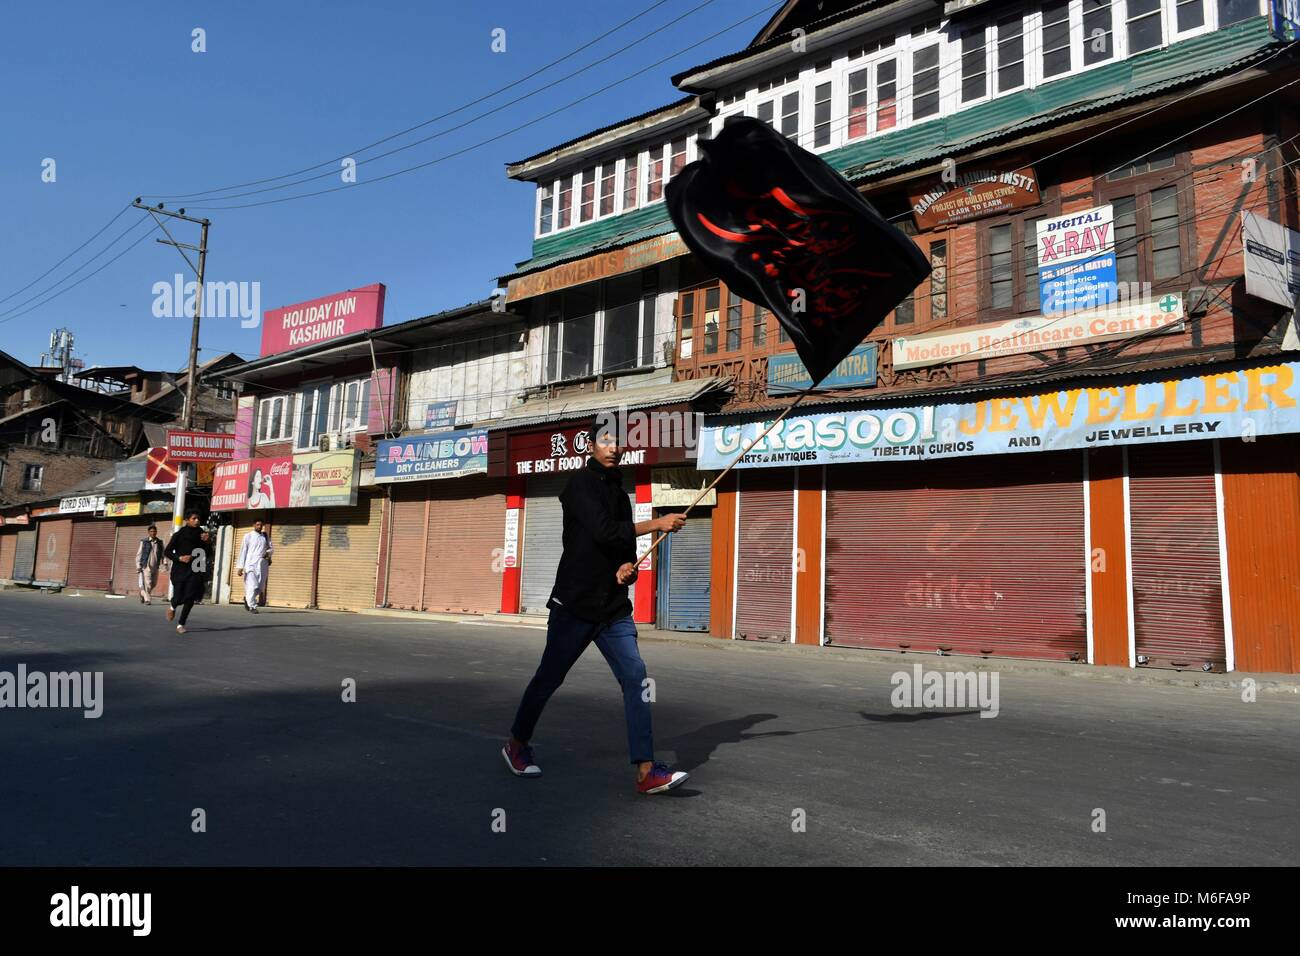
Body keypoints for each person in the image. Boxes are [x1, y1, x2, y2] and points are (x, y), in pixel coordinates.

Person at [503, 411, 690, 795]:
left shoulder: (621, 495)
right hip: (575, 604)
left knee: (635, 677)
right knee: (549, 677)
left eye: (618, 442)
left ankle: (645, 770)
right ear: (591, 446)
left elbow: (622, 548)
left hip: (613, 608)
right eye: (605, 440)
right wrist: (657, 523)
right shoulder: (578, 486)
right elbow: (604, 532)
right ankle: (516, 745)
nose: (614, 447)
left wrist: (628, 570)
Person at [164, 512, 212, 635]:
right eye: (194, 518)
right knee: (178, 597)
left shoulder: (203, 535)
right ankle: (173, 606)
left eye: (198, 518)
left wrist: (207, 542)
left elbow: (208, 553)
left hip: (195, 569)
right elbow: (167, 551)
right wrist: (179, 558)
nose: (197, 521)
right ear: (187, 520)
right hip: (179, 570)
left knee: (190, 598)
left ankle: (181, 624)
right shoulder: (179, 535)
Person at [235, 519, 273, 613]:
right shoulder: (248, 536)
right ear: (253, 525)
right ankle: (252, 606)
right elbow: (243, 551)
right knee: (252, 585)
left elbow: (271, 548)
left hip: (262, 565)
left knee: (260, 587)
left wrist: (268, 554)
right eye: (257, 525)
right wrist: (240, 567)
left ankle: (248, 599)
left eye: (261, 525)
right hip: (250, 565)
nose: (259, 526)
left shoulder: (265, 536)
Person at [135, 525, 164, 605]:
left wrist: (164, 563)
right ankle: (147, 599)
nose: (153, 533)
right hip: (146, 566)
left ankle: (142, 593)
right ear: (148, 532)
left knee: (154, 583)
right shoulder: (144, 541)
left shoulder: (160, 542)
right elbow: (139, 554)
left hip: (155, 566)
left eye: (154, 531)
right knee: (148, 583)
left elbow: (163, 554)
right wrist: (138, 566)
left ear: (156, 532)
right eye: (151, 531)